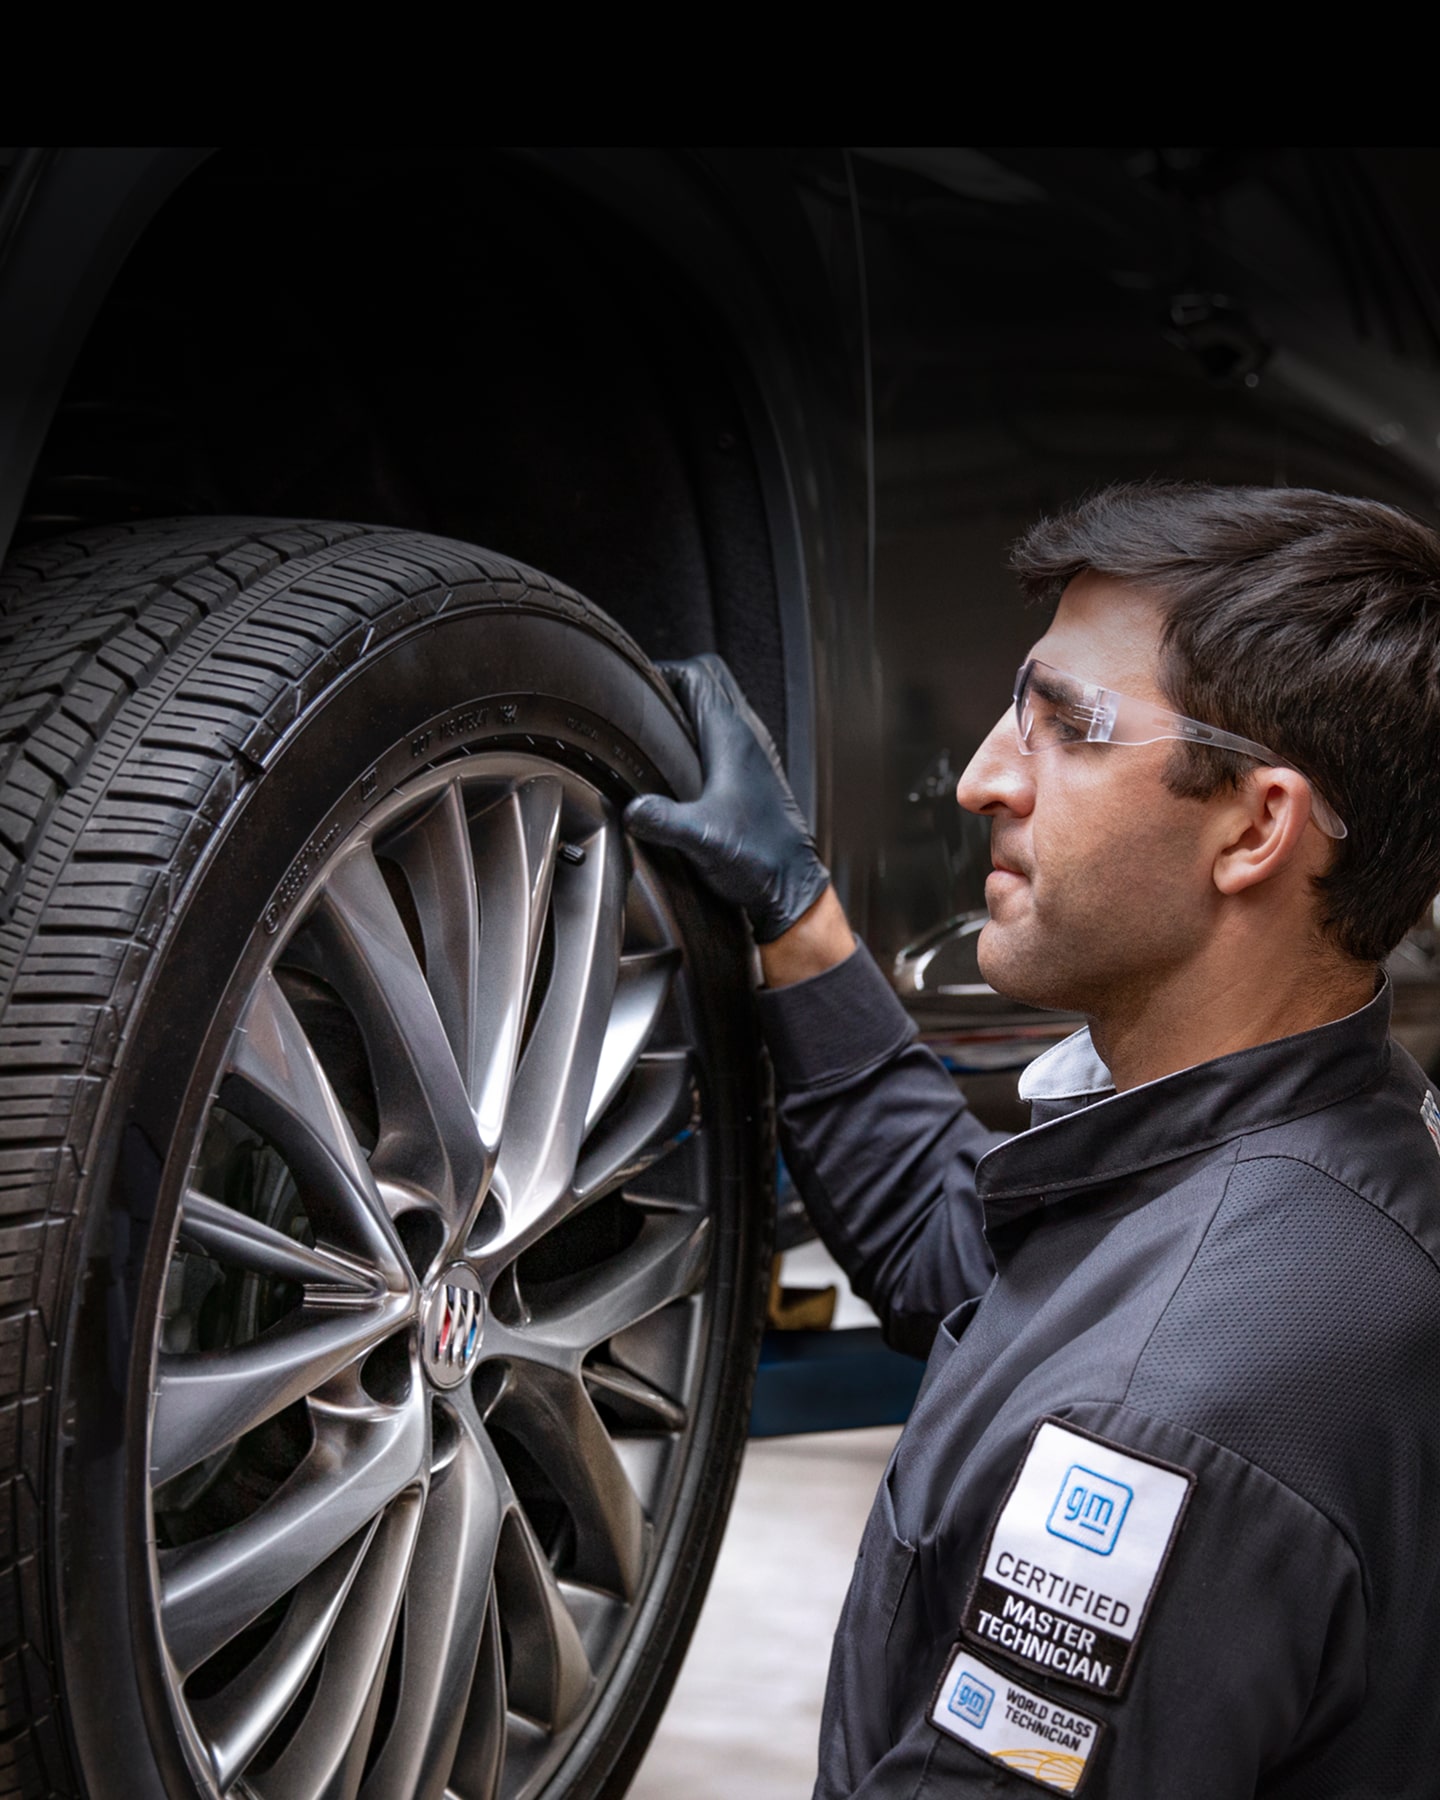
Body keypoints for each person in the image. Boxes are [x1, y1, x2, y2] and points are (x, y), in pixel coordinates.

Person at [624, 482, 1440, 1799]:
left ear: (1255, 827)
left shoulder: (1164, 1428)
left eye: (1064, 726)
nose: (979, 777)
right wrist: (799, 921)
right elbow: (991, 1284)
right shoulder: (1336, 1141)